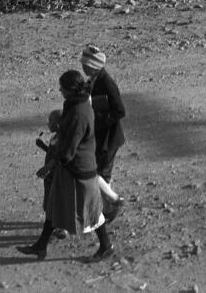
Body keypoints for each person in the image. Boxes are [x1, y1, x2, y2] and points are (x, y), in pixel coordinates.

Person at [17, 70, 114, 263]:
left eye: (62, 87)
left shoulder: (78, 112)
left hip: (78, 170)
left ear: (70, 89)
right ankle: (41, 246)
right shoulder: (80, 103)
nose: (60, 90)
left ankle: (105, 246)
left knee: (91, 210)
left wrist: (50, 165)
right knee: (55, 205)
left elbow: (70, 146)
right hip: (74, 168)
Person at [81, 44, 126, 218]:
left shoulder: (107, 83)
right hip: (102, 139)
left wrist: (98, 120)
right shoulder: (93, 80)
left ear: (93, 66)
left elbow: (120, 111)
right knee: (99, 173)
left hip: (109, 139)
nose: (83, 67)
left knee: (101, 174)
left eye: (85, 65)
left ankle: (110, 208)